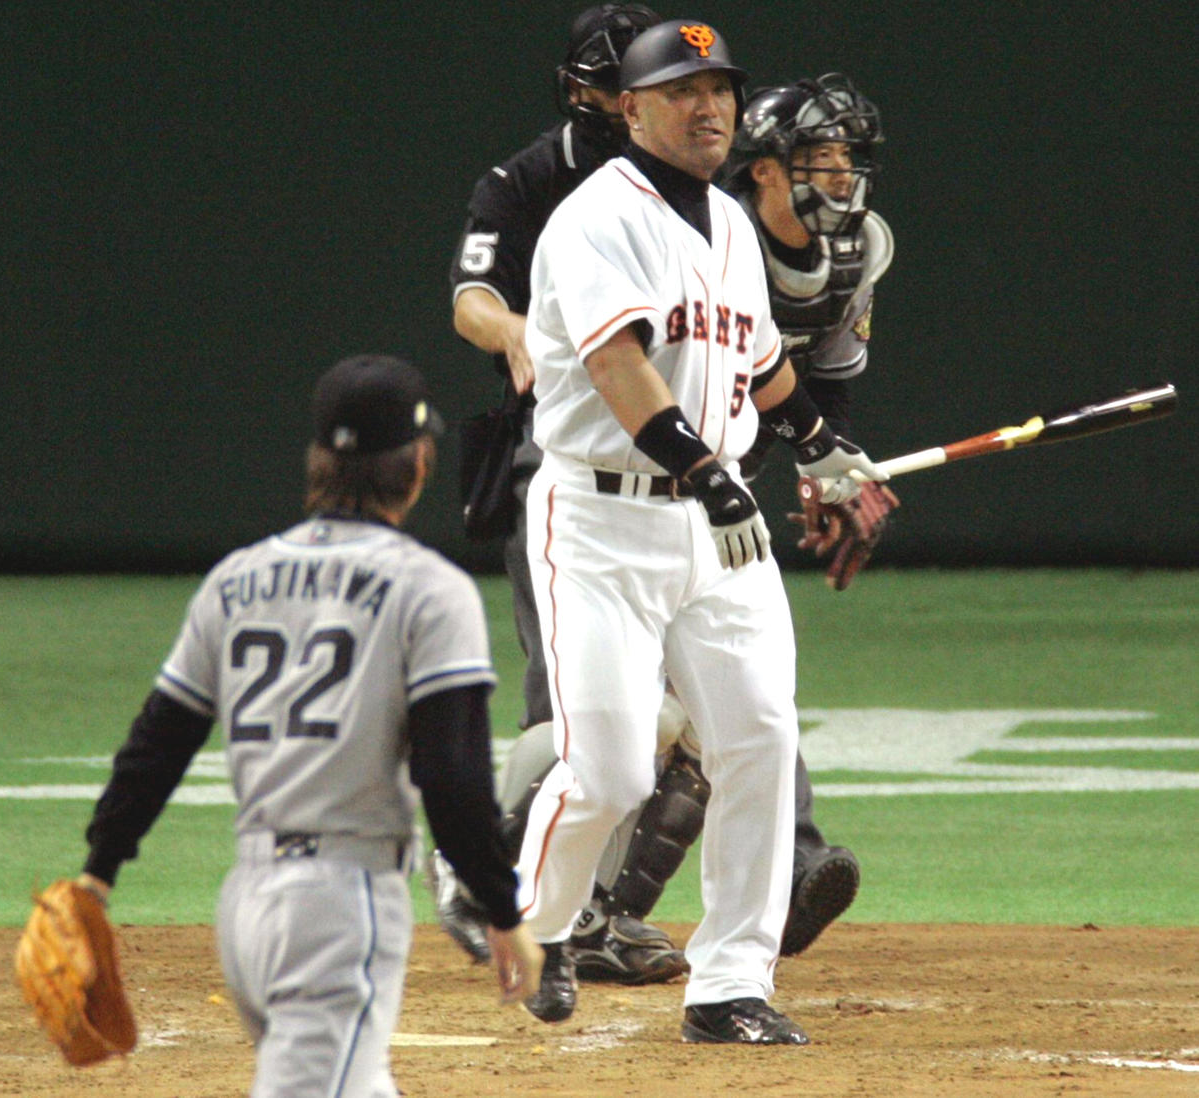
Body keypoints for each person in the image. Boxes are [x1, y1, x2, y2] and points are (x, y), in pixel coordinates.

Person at [437, 60, 896, 985]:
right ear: (633, 109)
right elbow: (616, 366)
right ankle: (535, 916)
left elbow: (761, 360)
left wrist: (818, 445)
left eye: (720, 91)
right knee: (611, 766)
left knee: (759, 738)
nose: (707, 108)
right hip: (606, 513)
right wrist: (705, 470)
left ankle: (732, 982)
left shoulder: (726, 222)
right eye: (683, 92)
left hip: (716, 528)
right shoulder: (595, 215)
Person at [69, 354, 542, 1097]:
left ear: (319, 461)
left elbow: (159, 740)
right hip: (339, 909)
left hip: (247, 914)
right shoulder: (429, 589)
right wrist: (502, 907)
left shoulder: (237, 577)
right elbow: (452, 775)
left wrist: (99, 870)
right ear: (418, 466)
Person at [443, 3, 688, 985]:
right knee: (579, 708)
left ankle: (603, 912)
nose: (617, 99)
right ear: (582, 88)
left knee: (681, 719)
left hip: (674, 472)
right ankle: (493, 890)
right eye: (606, 82)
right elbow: (469, 297)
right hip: (561, 467)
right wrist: (510, 334)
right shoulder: (527, 181)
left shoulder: (687, 183)